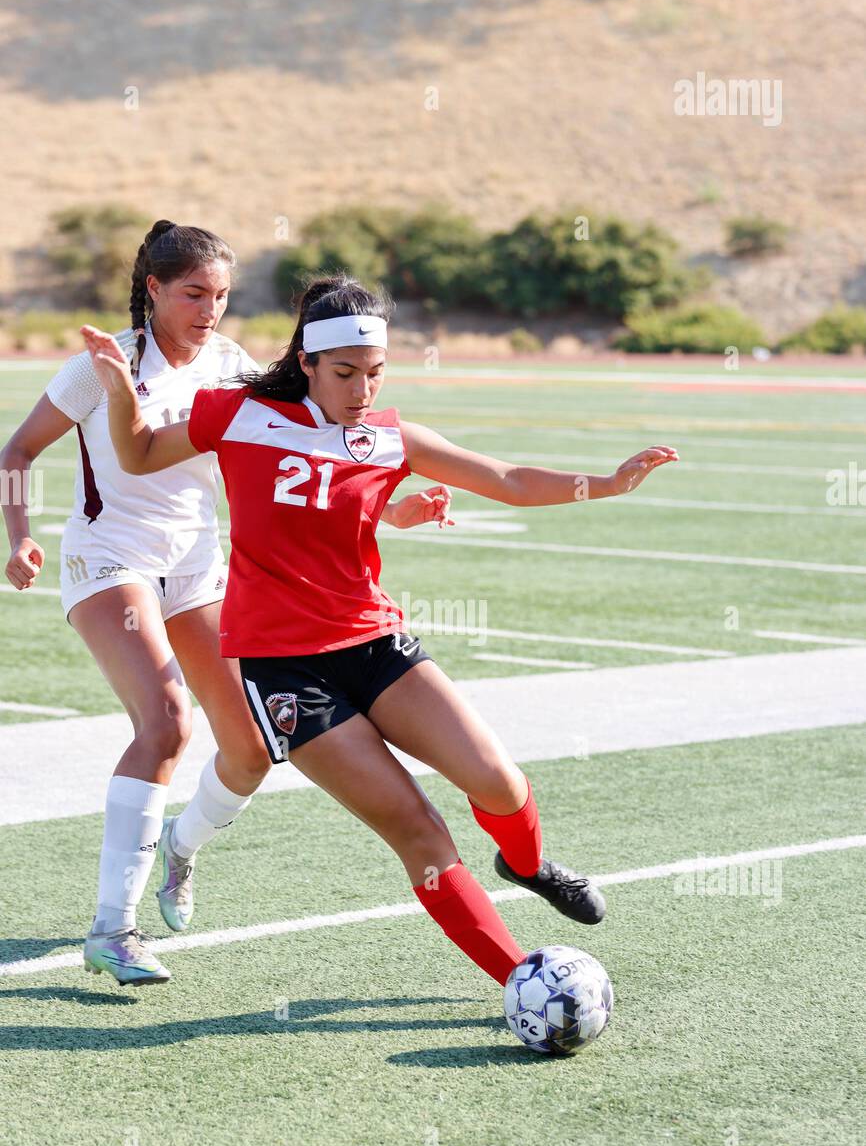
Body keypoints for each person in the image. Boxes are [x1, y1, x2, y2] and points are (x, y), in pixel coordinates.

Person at [79, 274, 678, 990]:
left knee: (501, 782)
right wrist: (119, 391)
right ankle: (521, 978)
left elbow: (510, 477)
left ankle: (525, 863)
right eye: (344, 374)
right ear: (306, 362)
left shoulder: (391, 438)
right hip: (285, 671)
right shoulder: (238, 414)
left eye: (375, 374)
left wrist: (604, 484)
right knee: (420, 831)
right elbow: (141, 452)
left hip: (374, 643)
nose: (362, 390)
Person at [0, 231, 452, 987]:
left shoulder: (234, 366)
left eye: (221, 296)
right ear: (152, 288)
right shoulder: (99, 365)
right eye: (193, 294)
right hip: (109, 559)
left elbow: (319, 458)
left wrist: (393, 515)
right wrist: (18, 537)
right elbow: (15, 453)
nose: (210, 310)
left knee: (251, 749)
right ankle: (113, 929)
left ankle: (180, 845)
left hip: (196, 566)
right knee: (167, 720)